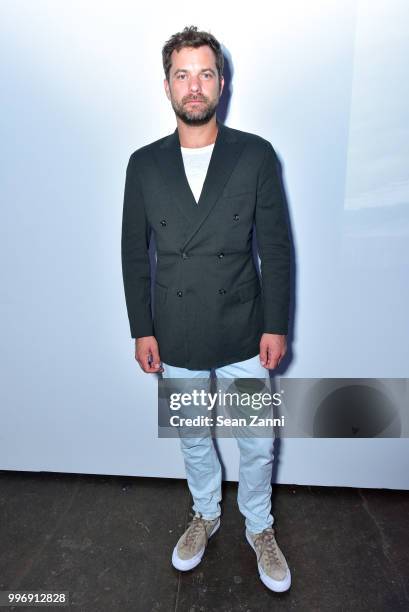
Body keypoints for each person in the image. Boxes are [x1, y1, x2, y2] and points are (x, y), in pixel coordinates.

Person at [121, 25, 292, 592]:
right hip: (176, 326)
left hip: (244, 324)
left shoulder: (255, 154)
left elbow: (276, 246)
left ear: (222, 82)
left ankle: (259, 526)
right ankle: (205, 514)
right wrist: (142, 330)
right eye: (182, 74)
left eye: (205, 73)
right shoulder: (143, 164)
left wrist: (275, 324)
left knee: (256, 438)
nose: (194, 86)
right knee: (194, 435)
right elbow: (133, 254)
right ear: (167, 85)